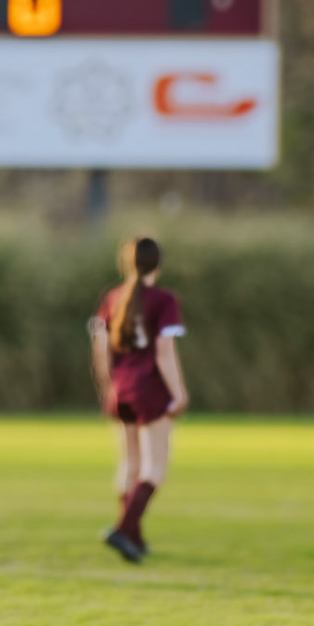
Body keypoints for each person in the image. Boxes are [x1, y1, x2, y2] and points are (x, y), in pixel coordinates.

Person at [89, 237, 189, 564]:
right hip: (150, 390)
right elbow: (163, 351)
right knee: (155, 466)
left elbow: (101, 347)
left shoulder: (113, 298)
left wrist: (108, 386)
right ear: (157, 264)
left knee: (129, 463)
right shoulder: (163, 300)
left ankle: (134, 538)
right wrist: (179, 392)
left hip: (122, 389)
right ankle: (124, 528)